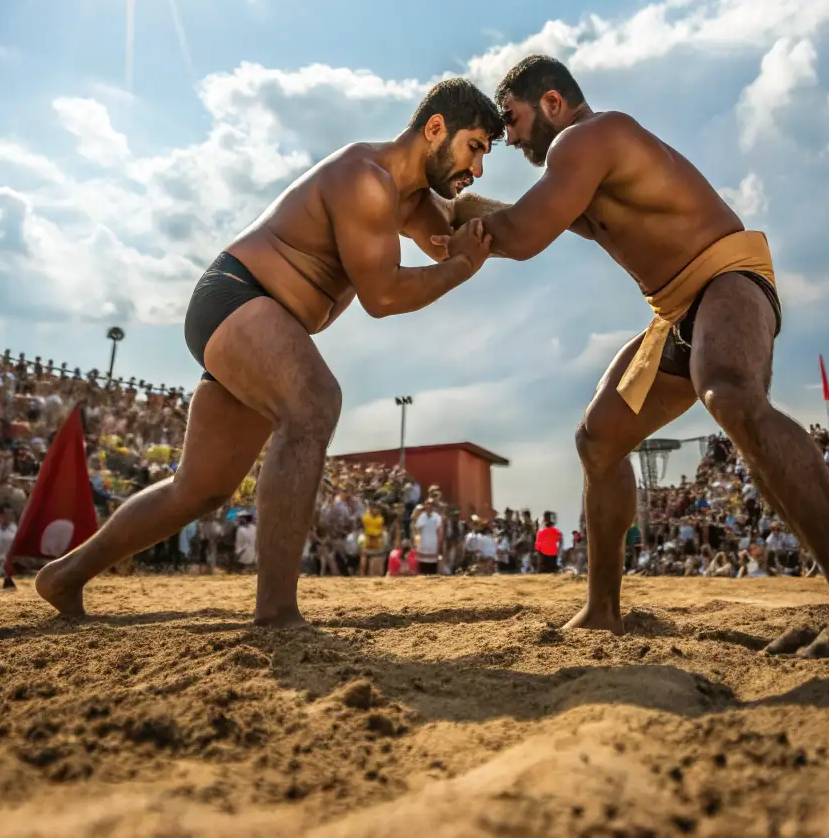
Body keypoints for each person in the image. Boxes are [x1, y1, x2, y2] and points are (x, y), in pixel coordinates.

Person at [441, 54, 829, 659]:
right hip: (675, 310)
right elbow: (519, 218)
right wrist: (443, 213)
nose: (512, 135)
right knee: (599, 439)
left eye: (515, 117)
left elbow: (523, 236)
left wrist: (444, 228)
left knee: (731, 392)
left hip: (727, 276)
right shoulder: (580, 167)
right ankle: (602, 610)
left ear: (552, 103)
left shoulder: (587, 138)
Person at [36, 78, 502, 627]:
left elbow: (465, 229)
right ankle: (278, 611)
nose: (477, 166)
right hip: (237, 295)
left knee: (200, 489)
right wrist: (462, 267)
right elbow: (384, 295)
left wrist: (569, 207)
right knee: (313, 404)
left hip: (261, 322)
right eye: (474, 146)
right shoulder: (365, 178)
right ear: (435, 128)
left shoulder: (412, 198)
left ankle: (64, 577)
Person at [413, 494, 444, 575]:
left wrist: (440, 542)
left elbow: (440, 530)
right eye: (427, 504)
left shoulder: (437, 517)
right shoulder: (421, 517)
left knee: (433, 565)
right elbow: (417, 529)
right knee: (423, 564)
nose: (429, 506)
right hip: (423, 542)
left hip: (433, 542)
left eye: (431, 504)